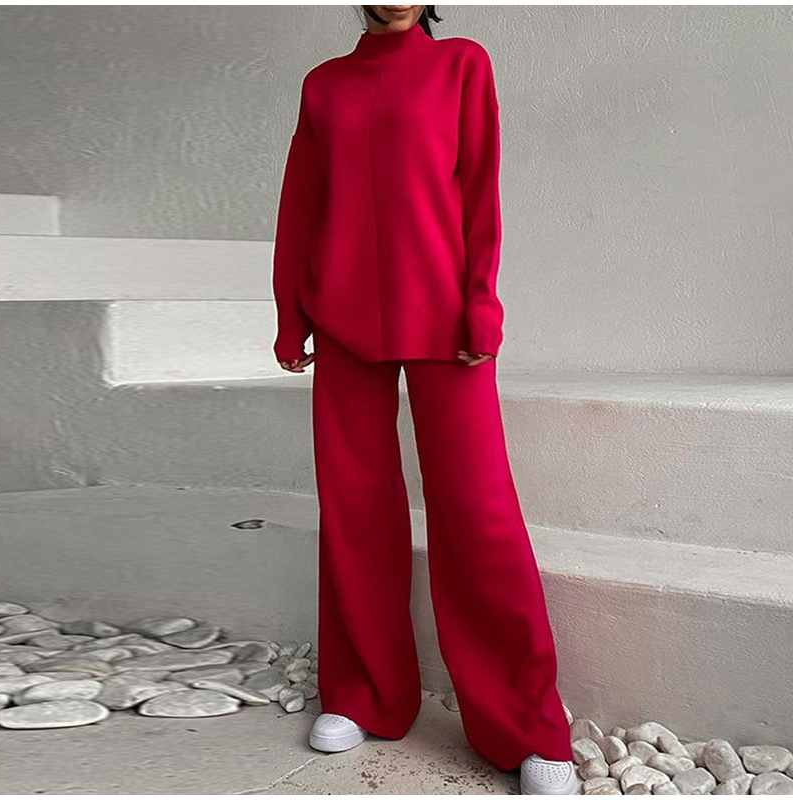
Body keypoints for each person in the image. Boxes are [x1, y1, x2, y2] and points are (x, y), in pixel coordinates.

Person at [271, 5, 579, 795]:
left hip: (447, 318)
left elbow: (479, 190)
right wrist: (289, 313)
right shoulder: (324, 85)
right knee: (355, 508)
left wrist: (482, 303)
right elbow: (302, 201)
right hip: (341, 315)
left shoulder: (462, 65)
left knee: (477, 509)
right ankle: (363, 693)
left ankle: (526, 725)